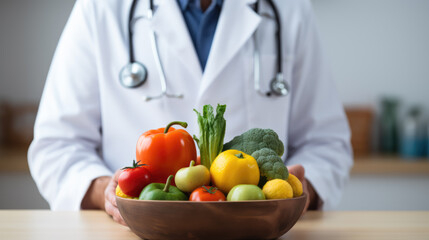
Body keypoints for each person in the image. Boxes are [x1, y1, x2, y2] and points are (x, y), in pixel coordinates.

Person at [28, 0, 353, 225]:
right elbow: (57, 144)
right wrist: (104, 192)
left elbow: (327, 142)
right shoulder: (101, 8)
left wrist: (305, 187)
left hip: (257, 231)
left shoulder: (288, 8)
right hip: (135, 231)